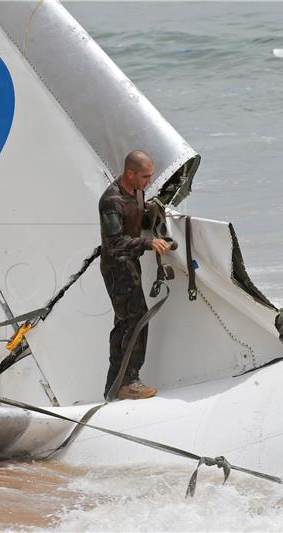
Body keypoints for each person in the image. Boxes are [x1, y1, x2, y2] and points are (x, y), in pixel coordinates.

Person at [99, 150, 171, 400]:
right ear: (130, 173)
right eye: (145, 177)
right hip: (117, 267)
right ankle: (129, 381)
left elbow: (136, 213)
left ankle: (114, 384)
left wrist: (152, 210)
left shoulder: (136, 191)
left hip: (130, 264)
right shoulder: (111, 200)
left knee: (124, 322)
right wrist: (147, 244)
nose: (148, 182)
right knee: (136, 320)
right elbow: (114, 242)